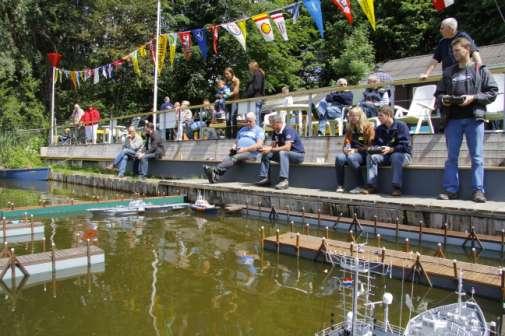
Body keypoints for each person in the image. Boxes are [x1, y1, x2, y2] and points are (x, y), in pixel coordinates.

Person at [435, 37, 498, 203]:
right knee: (451, 157)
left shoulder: (480, 70)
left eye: (457, 50)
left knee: (476, 156)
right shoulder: (448, 72)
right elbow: (438, 95)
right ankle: (450, 190)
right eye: (453, 51)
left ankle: (478, 191)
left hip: (474, 118)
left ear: (467, 50)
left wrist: (474, 97)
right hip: (453, 120)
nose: (454, 54)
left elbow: (492, 92)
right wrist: (444, 99)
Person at [362, 106, 412, 196]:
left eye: (381, 116)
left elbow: (405, 146)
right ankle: (372, 186)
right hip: (386, 156)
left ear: (388, 115)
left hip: (403, 156)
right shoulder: (379, 129)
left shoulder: (401, 126)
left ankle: (397, 187)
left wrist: (392, 149)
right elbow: (375, 144)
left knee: (396, 156)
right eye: (378, 116)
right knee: (371, 157)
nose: (378, 118)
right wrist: (374, 149)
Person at [203, 112, 265, 183]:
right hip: (240, 152)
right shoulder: (242, 130)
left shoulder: (259, 130)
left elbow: (259, 145)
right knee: (228, 158)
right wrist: (233, 148)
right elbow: (236, 142)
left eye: (250, 121)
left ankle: (215, 170)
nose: (248, 123)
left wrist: (244, 149)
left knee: (234, 157)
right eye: (246, 121)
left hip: (251, 153)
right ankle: (215, 177)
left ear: (255, 121)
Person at [255, 114, 305, 190]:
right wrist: (264, 148)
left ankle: (284, 181)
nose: (270, 126)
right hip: (285, 156)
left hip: (298, 156)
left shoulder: (288, 130)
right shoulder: (275, 132)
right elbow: (272, 147)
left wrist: (270, 149)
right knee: (267, 154)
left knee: (283, 152)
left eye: (271, 123)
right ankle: (265, 178)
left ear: (277, 123)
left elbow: (287, 148)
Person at [335, 106, 375, 193]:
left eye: (354, 115)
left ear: (360, 116)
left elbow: (371, 146)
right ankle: (340, 185)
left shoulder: (368, 127)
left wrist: (356, 150)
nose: (351, 118)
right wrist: (346, 149)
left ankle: (360, 185)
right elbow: (346, 143)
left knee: (351, 158)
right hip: (352, 152)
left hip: (364, 153)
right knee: (339, 158)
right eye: (350, 115)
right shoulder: (350, 128)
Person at [245, 61, 266, 126]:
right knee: (256, 117)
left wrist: (248, 93)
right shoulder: (258, 74)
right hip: (256, 98)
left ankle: (257, 132)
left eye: (250, 68)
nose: (249, 69)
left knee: (256, 117)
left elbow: (257, 87)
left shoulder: (257, 74)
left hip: (256, 98)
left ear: (253, 67)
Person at [224, 67, 241, 138]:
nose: (226, 75)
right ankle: (228, 136)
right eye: (225, 74)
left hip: (234, 101)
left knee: (233, 118)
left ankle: (234, 136)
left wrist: (226, 95)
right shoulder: (226, 81)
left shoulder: (236, 80)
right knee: (227, 119)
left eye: (227, 74)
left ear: (231, 73)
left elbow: (236, 91)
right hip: (227, 102)